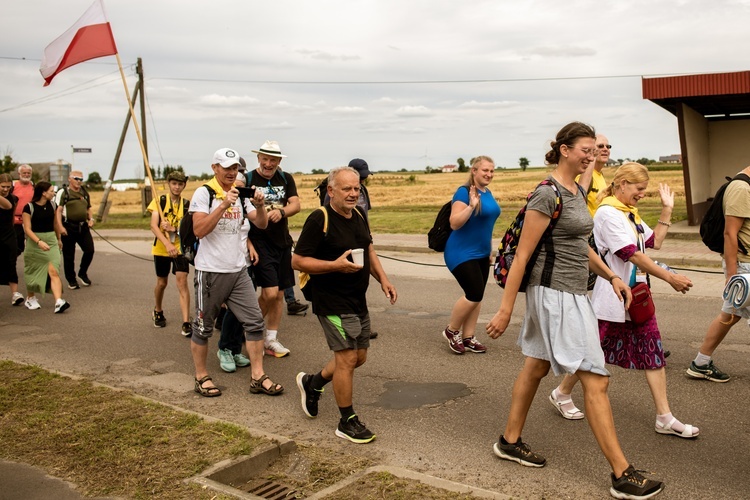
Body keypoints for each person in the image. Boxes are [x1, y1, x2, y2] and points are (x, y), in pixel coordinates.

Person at [485, 122, 664, 499]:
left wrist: (609, 277)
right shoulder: (546, 196)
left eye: (595, 147)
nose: (593, 152)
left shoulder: (576, 191)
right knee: (596, 380)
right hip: (555, 295)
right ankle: (622, 474)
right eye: (586, 148)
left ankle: (509, 441)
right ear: (564, 149)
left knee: (535, 366)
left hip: (569, 291)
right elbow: (521, 257)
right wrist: (504, 310)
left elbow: (579, 245)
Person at [552, 163, 699, 439]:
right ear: (621, 184)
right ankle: (561, 393)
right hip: (614, 298)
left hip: (637, 297)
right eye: (639, 188)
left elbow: (654, 243)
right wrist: (670, 277)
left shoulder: (629, 213)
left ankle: (664, 417)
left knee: (653, 351)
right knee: (592, 353)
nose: (642, 194)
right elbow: (633, 255)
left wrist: (667, 209)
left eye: (645, 189)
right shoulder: (608, 214)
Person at [293, 166, 397, 444]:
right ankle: (346, 420)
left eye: (357, 189)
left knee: (358, 357)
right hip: (331, 300)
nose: (353, 194)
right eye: (347, 189)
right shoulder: (320, 219)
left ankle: (312, 383)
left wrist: (383, 279)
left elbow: (369, 248)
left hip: (357, 299)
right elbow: (298, 261)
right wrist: (334, 265)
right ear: (331, 191)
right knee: (347, 358)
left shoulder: (360, 215)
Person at [189, 148, 281, 398]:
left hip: (239, 270)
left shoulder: (241, 194)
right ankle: (201, 377)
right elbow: (199, 230)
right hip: (210, 271)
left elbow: (260, 224)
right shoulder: (204, 193)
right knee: (203, 327)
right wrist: (222, 206)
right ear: (214, 168)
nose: (232, 172)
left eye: (236, 168)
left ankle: (258, 376)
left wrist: (260, 206)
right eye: (227, 167)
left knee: (253, 323)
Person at [686, 164, 750, 383]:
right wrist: (732, 275)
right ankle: (701, 363)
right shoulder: (741, 188)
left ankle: (701, 363)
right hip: (744, 266)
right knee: (730, 314)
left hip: (745, 265)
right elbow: (730, 233)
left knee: (730, 315)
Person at [247, 140, 301, 357]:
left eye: (273, 160)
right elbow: (240, 212)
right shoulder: (248, 179)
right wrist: (247, 243)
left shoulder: (286, 178)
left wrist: (282, 212)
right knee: (268, 293)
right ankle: (253, 331)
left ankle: (271, 338)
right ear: (258, 158)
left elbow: (296, 204)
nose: (268, 164)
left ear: (279, 161)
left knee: (279, 294)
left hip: (282, 242)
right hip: (260, 243)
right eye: (265, 159)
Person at [441, 156, 500, 354]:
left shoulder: (488, 192)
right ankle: (451, 331)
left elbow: (486, 226)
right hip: (460, 252)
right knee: (473, 293)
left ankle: (468, 337)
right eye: (485, 170)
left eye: (491, 171)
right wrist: (471, 206)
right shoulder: (464, 192)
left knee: (477, 296)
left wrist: (489, 250)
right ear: (474, 171)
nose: (489, 174)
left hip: (482, 253)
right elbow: (454, 223)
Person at [216, 171, 253, 373]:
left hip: (245, 263)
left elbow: (247, 228)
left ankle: (235, 348)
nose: (236, 191)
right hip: (225, 265)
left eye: (240, 188)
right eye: (233, 187)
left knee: (243, 312)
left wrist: (251, 245)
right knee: (233, 311)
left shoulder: (245, 204)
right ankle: (224, 348)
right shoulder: (219, 202)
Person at [148, 170, 191, 336]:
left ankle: (186, 322)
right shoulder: (160, 201)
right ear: (169, 184)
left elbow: (189, 230)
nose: (177, 187)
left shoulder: (187, 205)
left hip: (179, 248)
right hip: (161, 248)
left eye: (180, 184)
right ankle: (158, 310)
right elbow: (153, 226)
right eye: (174, 183)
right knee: (162, 282)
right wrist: (166, 243)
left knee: (182, 282)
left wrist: (174, 229)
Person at [22, 181, 69, 313]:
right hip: (34, 241)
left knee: (54, 271)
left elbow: (55, 224)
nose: (53, 193)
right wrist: (39, 242)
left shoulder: (53, 205)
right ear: (43, 193)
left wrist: (59, 239)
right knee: (33, 270)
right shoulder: (28, 207)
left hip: (51, 240)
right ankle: (30, 298)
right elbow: (27, 229)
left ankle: (58, 301)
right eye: (51, 191)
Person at [55, 170, 95, 289]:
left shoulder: (84, 192)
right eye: (76, 178)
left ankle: (82, 273)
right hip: (68, 226)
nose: (79, 181)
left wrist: (91, 219)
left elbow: (88, 208)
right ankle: (71, 280)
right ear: (69, 179)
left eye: (81, 179)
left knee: (89, 250)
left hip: (83, 227)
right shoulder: (64, 192)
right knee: (69, 255)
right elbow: (58, 211)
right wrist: (60, 227)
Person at [0, 174, 24, 306]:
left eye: (8, 187)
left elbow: (9, 208)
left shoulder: (13, 198)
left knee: (11, 262)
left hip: (8, 233)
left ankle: (15, 294)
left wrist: (12, 230)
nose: (5, 189)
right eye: (3, 186)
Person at [576, 133, 611, 216]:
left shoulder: (600, 175)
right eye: (600, 146)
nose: (605, 149)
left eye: (608, 146)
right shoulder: (582, 176)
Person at [12, 164, 34, 256]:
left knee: (29, 246)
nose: (26, 175)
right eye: (24, 173)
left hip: (29, 220)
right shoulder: (13, 186)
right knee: (17, 246)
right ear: (19, 173)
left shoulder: (34, 186)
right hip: (15, 221)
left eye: (28, 173)